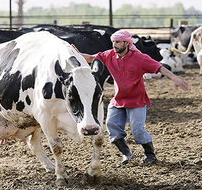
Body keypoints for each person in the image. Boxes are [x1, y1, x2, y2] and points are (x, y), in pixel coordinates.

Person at [78, 29, 189, 165]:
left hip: (137, 100)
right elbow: (90, 58)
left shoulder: (140, 58)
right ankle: (126, 154)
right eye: (113, 42)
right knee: (111, 126)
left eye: (118, 42)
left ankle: (150, 155)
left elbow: (159, 67)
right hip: (118, 100)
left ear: (127, 43)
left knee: (137, 130)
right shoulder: (109, 55)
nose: (114, 45)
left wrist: (175, 78)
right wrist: (76, 54)